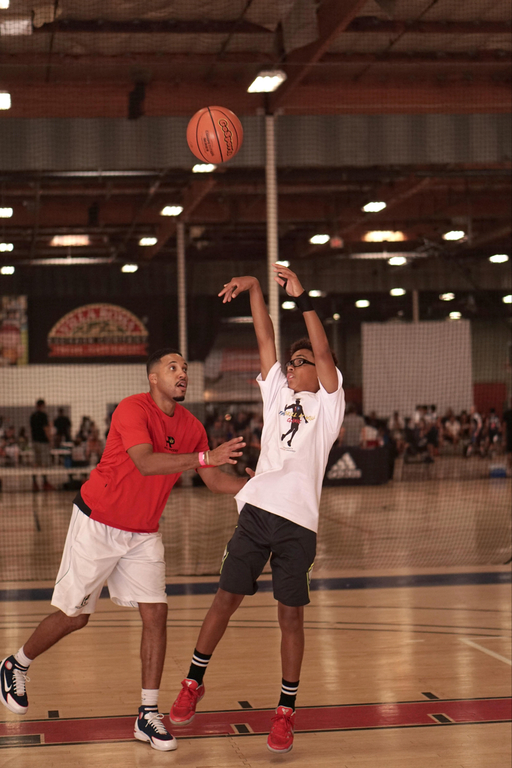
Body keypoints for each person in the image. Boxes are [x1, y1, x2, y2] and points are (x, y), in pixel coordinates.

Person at [0, 348, 251, 752]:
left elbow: (215, 480)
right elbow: (146, 463)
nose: (182, 373)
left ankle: (147, 714)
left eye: (185, 368)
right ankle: (16, 663)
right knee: (75, 617)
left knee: (156, 613)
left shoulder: (192, 426)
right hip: (98, 521)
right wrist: (205, 457)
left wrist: (256, 486)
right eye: (172, 367)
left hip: (143, 532)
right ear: (153, 378)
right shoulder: (132, 409)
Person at [169, 265, 345, 754]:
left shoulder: (329, 406)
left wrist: (302, 296)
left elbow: (322, 351)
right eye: (290, 362)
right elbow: (265, 335)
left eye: (299, 362)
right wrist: (254, 289)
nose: (291, 366)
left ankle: (285, 712)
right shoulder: (277, 395)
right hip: (257, 513)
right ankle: (192, 683)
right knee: (224, 599)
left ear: (321, 372)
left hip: (298, 525)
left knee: (291, 618)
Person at [29, 399, 54, 491]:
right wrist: (50, 440)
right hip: (43, 442)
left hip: (34, 442)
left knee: (35, 463)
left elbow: (31, 429)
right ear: (42, 406)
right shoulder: (43, 415)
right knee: (44, 463)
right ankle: (45, 483)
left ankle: (34, 483)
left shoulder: (32, 416)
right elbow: (46, 429)